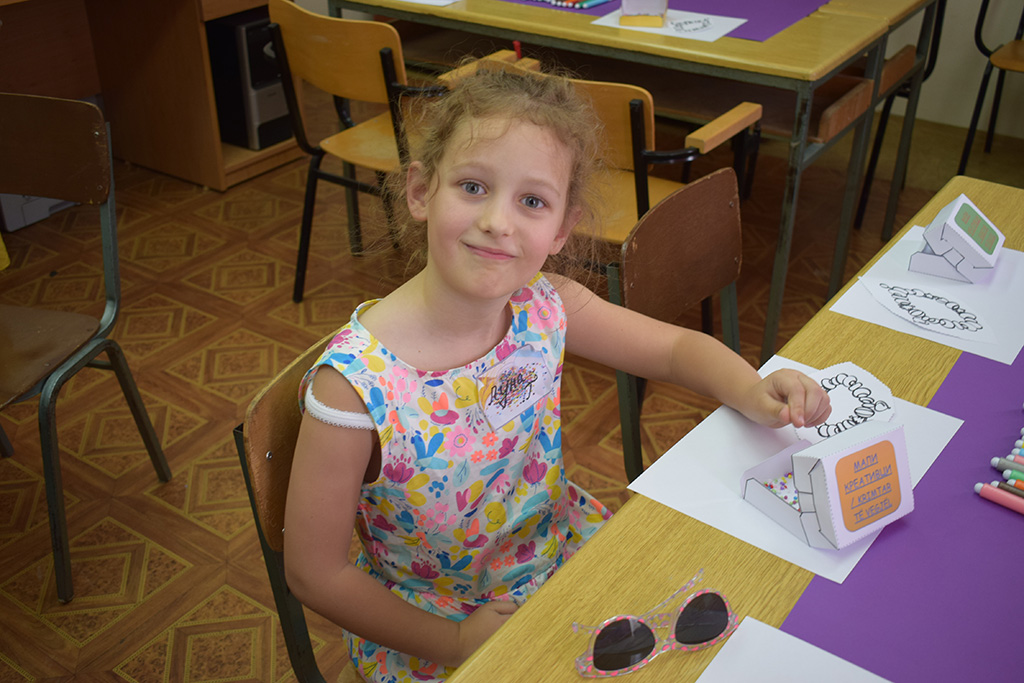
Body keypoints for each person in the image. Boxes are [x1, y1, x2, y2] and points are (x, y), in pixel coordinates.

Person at [284, 64, 831, 683]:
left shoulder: (544, 304)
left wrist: (753, 389)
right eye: (472, 186)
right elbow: (315, 572)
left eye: (532, 201)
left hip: (561, 561)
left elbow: (675, 350)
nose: (498, 221)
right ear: (420, 192)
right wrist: (455, 640)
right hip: (437, 626)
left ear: (562, 229)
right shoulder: (351, 389)